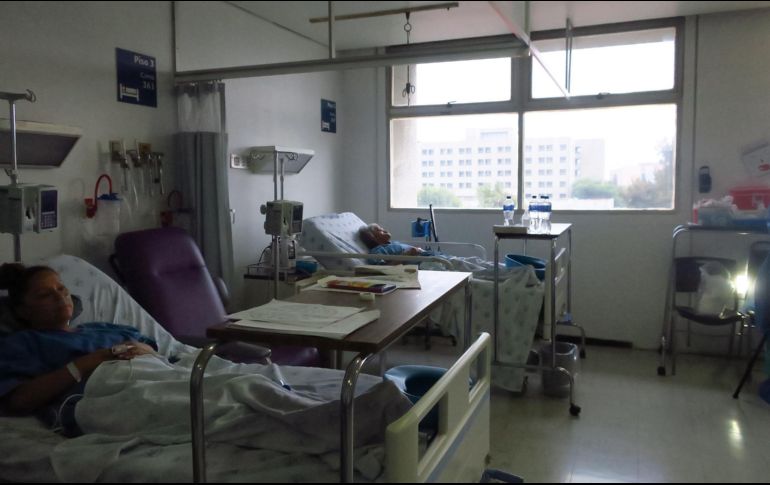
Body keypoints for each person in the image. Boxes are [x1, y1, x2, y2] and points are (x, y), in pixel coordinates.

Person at [0, 263, 157, 433]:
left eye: (61, 288)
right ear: (23, 311)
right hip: (112, 399)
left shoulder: (102, 328)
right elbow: (18, 401)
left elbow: (158, 353)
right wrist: (96, 359)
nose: (60, 297)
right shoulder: (23, 343)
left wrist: (143, 349)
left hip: (156, 378)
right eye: (45, 295)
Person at [358, 223, 439, 264]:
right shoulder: (377, 251)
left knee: (448, 260)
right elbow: (383, 269)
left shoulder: (393, 243)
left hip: (429, 256)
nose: (385, 230)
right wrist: (408, 254)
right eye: (380, 230)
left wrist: (416, 250)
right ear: (373, 237)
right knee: (447, 266)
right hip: (424, 264)